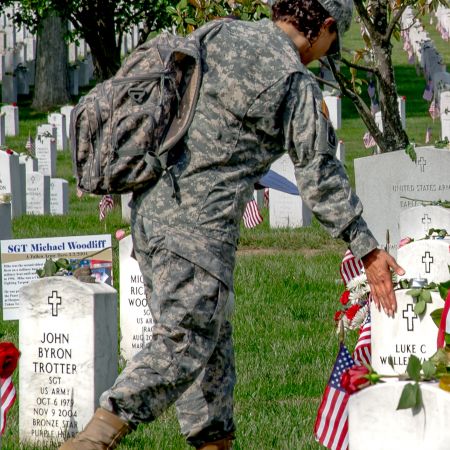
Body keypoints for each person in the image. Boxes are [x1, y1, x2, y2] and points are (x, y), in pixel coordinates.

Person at [61, 0, 404, 449]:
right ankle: (91, 440)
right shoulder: (292, 78)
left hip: (150, 212)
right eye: (332, 42)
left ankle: (215, 443)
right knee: (184, 343)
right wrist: (368, 250)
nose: (325, 52)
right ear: (323, 27)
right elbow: (318, 178)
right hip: (198, 231)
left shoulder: (219, 33)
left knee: (210, 352)